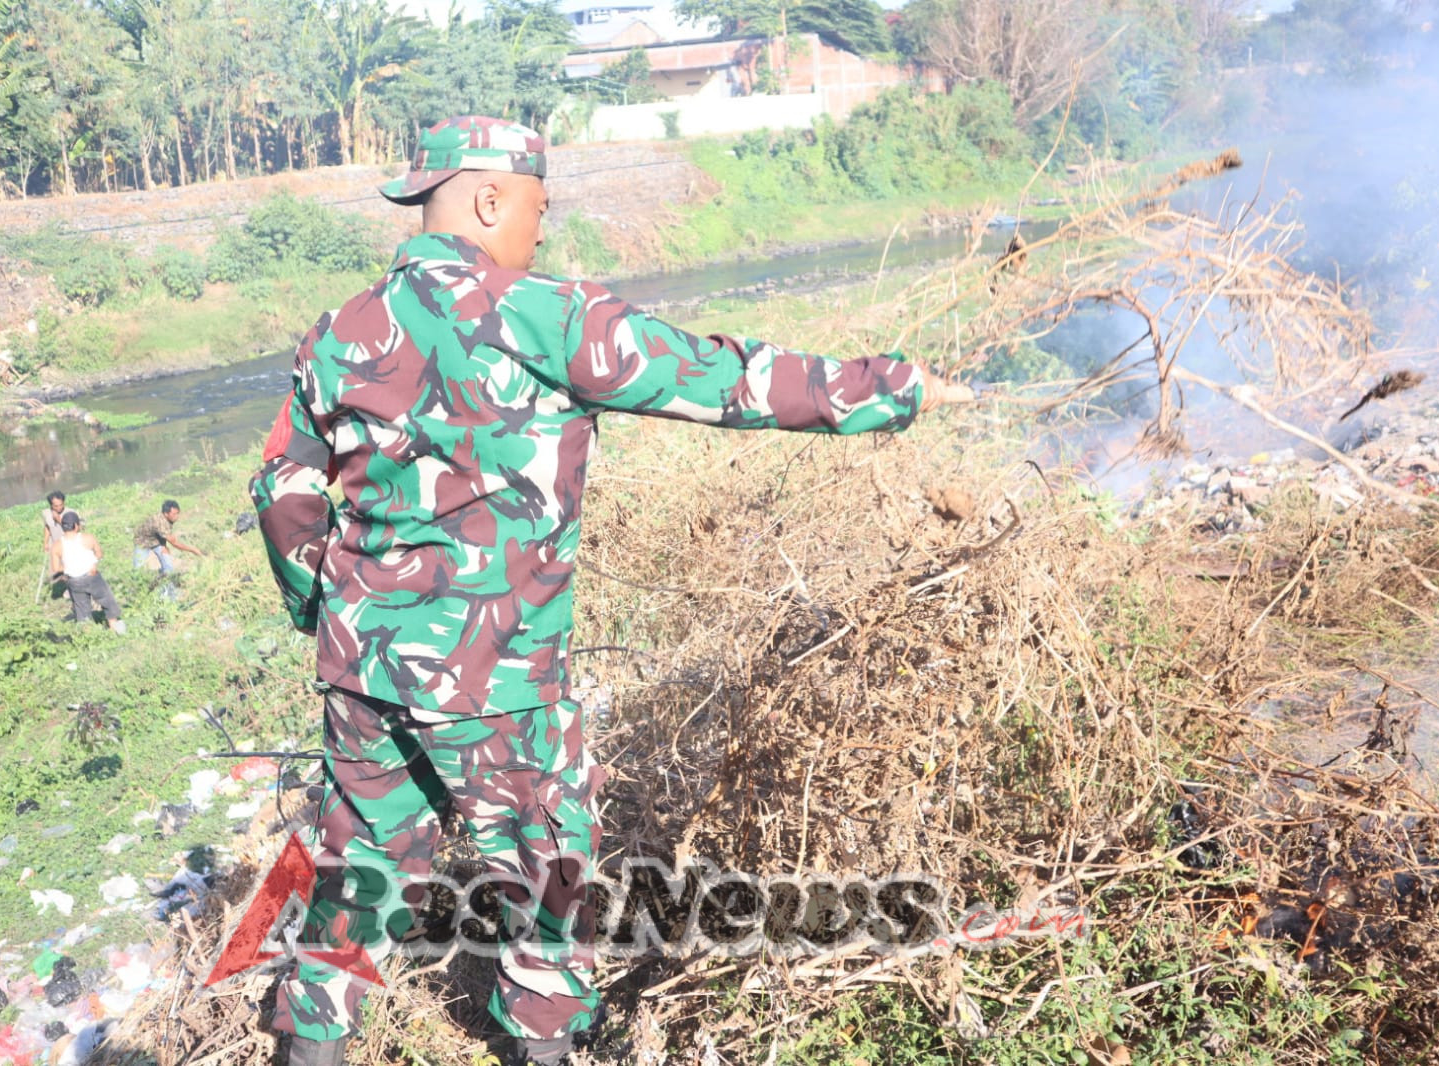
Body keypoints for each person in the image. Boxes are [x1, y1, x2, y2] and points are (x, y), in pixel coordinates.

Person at [249, 115, 976, 1066]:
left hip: (361, 674)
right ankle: (542, 1049)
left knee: (360, 860)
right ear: (485, 198)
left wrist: (332, 605)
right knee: (548, 868)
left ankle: (310, 1047)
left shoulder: (339, 329)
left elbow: (282, 485)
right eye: (536, 211)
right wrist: (898, 388)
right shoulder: (540, 313)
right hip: (496, 683)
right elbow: (724, 381)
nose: (539, 233)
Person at [54, 511, 126, 633]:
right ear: (76, 526)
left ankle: (88, 634)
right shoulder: (88, 538)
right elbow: (99, 553)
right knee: (106, 599)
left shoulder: (57, 545)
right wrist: (93, 562)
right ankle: (114, 627)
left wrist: (69, 568)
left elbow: (56, 569)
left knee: (82, 608)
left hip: (74, 581)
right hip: (92, 576)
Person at [132, 499, 204, 573]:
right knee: (138, 569)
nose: (177, 516)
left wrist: (163, 545)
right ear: (166, 514)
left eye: (178, 513)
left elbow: (163, 534)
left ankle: (166, 582)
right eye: (174, 514)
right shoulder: (159, 522)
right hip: (142, 542)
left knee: (168, 565)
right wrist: (193, 550)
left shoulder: (168, 519)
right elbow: (175, 543)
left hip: (157, 540)